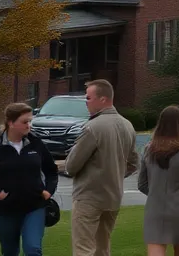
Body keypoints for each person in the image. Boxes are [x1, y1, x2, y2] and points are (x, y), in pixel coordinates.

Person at [64, 79, 140, 256]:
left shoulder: (92, 127)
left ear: (103, 99)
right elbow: (134, 163)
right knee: (102, 248)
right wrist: (113, 173)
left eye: (89, 98)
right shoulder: (127, 125)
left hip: (89, 196)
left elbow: (72, 165)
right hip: (112, 196)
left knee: (84, 249)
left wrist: (69, 168)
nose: (86, 102)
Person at [0, 102, 59, 256]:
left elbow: (51, 172)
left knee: (33, 249)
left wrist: (48, 191)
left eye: (30, 121)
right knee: (9, 251)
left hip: (34, 207)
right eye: (25, 122)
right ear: (11, 123)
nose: (29, 126)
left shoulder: (36, 144)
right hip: (6, 211)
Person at [139, 105, 179, 256]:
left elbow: (142, 184)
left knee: (155, 249)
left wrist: (157, 194)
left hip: (155, 209)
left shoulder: (148, 150)